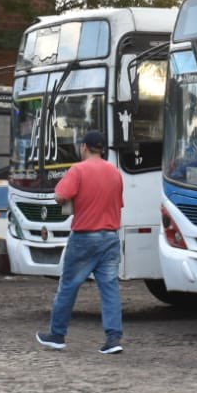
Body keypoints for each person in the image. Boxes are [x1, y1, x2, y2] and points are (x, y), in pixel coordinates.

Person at [36, 130, 125, 354]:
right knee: (110, 288)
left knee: (69, 285)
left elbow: (61, 196)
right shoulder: (115, 172)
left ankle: (57, 334)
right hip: (111, 236)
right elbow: (118, 203)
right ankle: (113, 339)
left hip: (85, 236)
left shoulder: (78, 170)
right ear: (102, 149)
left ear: (84, 147)